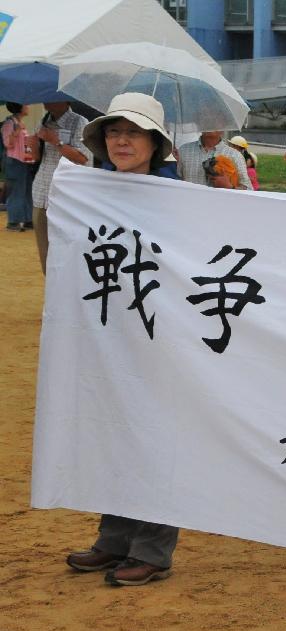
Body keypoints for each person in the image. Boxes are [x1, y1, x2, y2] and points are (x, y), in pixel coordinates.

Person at [66, 92, 180, 587]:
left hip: (161, 342)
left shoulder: (181, 198)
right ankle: (113, 539)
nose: (121, 141)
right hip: (108, 338)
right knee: (111, 432)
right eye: (114, 132)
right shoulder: (91, 193)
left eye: (133, 132)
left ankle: (152, 548)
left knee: (154, 438)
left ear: (155, 144)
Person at [31, 101, 92, 274]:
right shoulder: (43, 121)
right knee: (45, 249)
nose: (45, 101)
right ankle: (52, 289)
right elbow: (37, 158)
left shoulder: (80, 122)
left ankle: (69, 287)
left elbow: (83, 158)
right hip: (41, 193)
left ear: (65, 100)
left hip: (67, 196)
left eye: (50, 96)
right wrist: (34, 143)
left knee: (69, 246)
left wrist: (55, 141)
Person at [1, 103, 36, 231]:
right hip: (14, 161)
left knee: (27, 191)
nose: (28, 106)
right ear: (19, 107)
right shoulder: (9, 123)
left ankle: (28, 220)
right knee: (16, 191)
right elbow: (7, 144)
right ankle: (13, 221)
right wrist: (16, 131)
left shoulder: (19, 122)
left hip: (24, 161)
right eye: (25, 105)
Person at [178, 130, 251, 190]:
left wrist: (229, 187)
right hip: (191, 205)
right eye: (206, 118)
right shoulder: (184, 151)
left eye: (215, 120)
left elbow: (249, 190)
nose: (210, 124)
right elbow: (176, 182)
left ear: (224, 126)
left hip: (221, 206)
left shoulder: (235, 155)